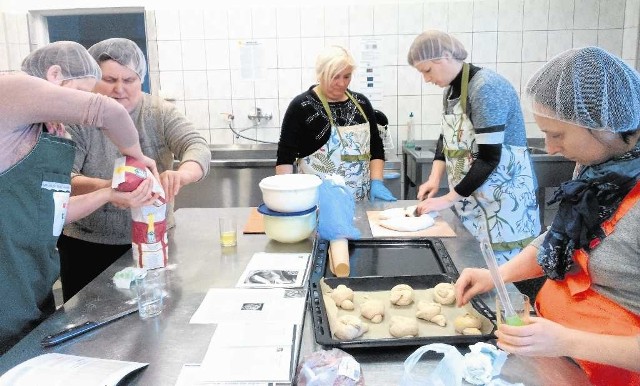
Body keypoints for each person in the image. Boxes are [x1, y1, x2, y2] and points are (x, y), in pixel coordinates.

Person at [454, 47, 640, 385]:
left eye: (557, 135)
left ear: (606, 126)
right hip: (561, 362)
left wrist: (568, 340)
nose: (550, 147)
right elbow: (563, 237)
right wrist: (496, 274)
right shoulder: (597, 169)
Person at [0, 42, 158, 353]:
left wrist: (108, 194)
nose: (80, 104)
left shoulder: (39, 127)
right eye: (81, 92)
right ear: (54, 74)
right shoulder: (11, 88)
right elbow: (107, 111)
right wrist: (138, 157)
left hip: (30, 282)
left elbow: (51, 212)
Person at [57, 38, 211, 302]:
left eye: (129, 80)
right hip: (88, 245)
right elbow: (64, 178)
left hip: (154, 238)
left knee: (157, 315)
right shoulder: (76, 118)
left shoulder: (158, 112)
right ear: (93, 79)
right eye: (110, 80)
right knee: (90, 324)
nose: (119, 89)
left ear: (141, 79)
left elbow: (196, 146)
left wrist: (181, 174)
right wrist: (111, 187)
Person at [408, 30, 541, 267]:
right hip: (473, 199)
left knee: (504, 281)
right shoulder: (451, 89)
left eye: (427, 70)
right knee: (475, 266)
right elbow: (446, 138)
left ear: (446, 56)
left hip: (502, 204)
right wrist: (434, 179)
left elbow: (490, 158)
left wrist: (448, 199)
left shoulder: (485, 88)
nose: (426, 79)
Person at [276, 45, 396, 202]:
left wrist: (377, 182)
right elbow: (285, 158)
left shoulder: (362, 103)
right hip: (318, 205)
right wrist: (285, 198)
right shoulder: (302, 106)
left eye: (346, 76)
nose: (341, 83)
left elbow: (376, 148)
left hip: (359, 203)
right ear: (320, 75)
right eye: (334, 77)